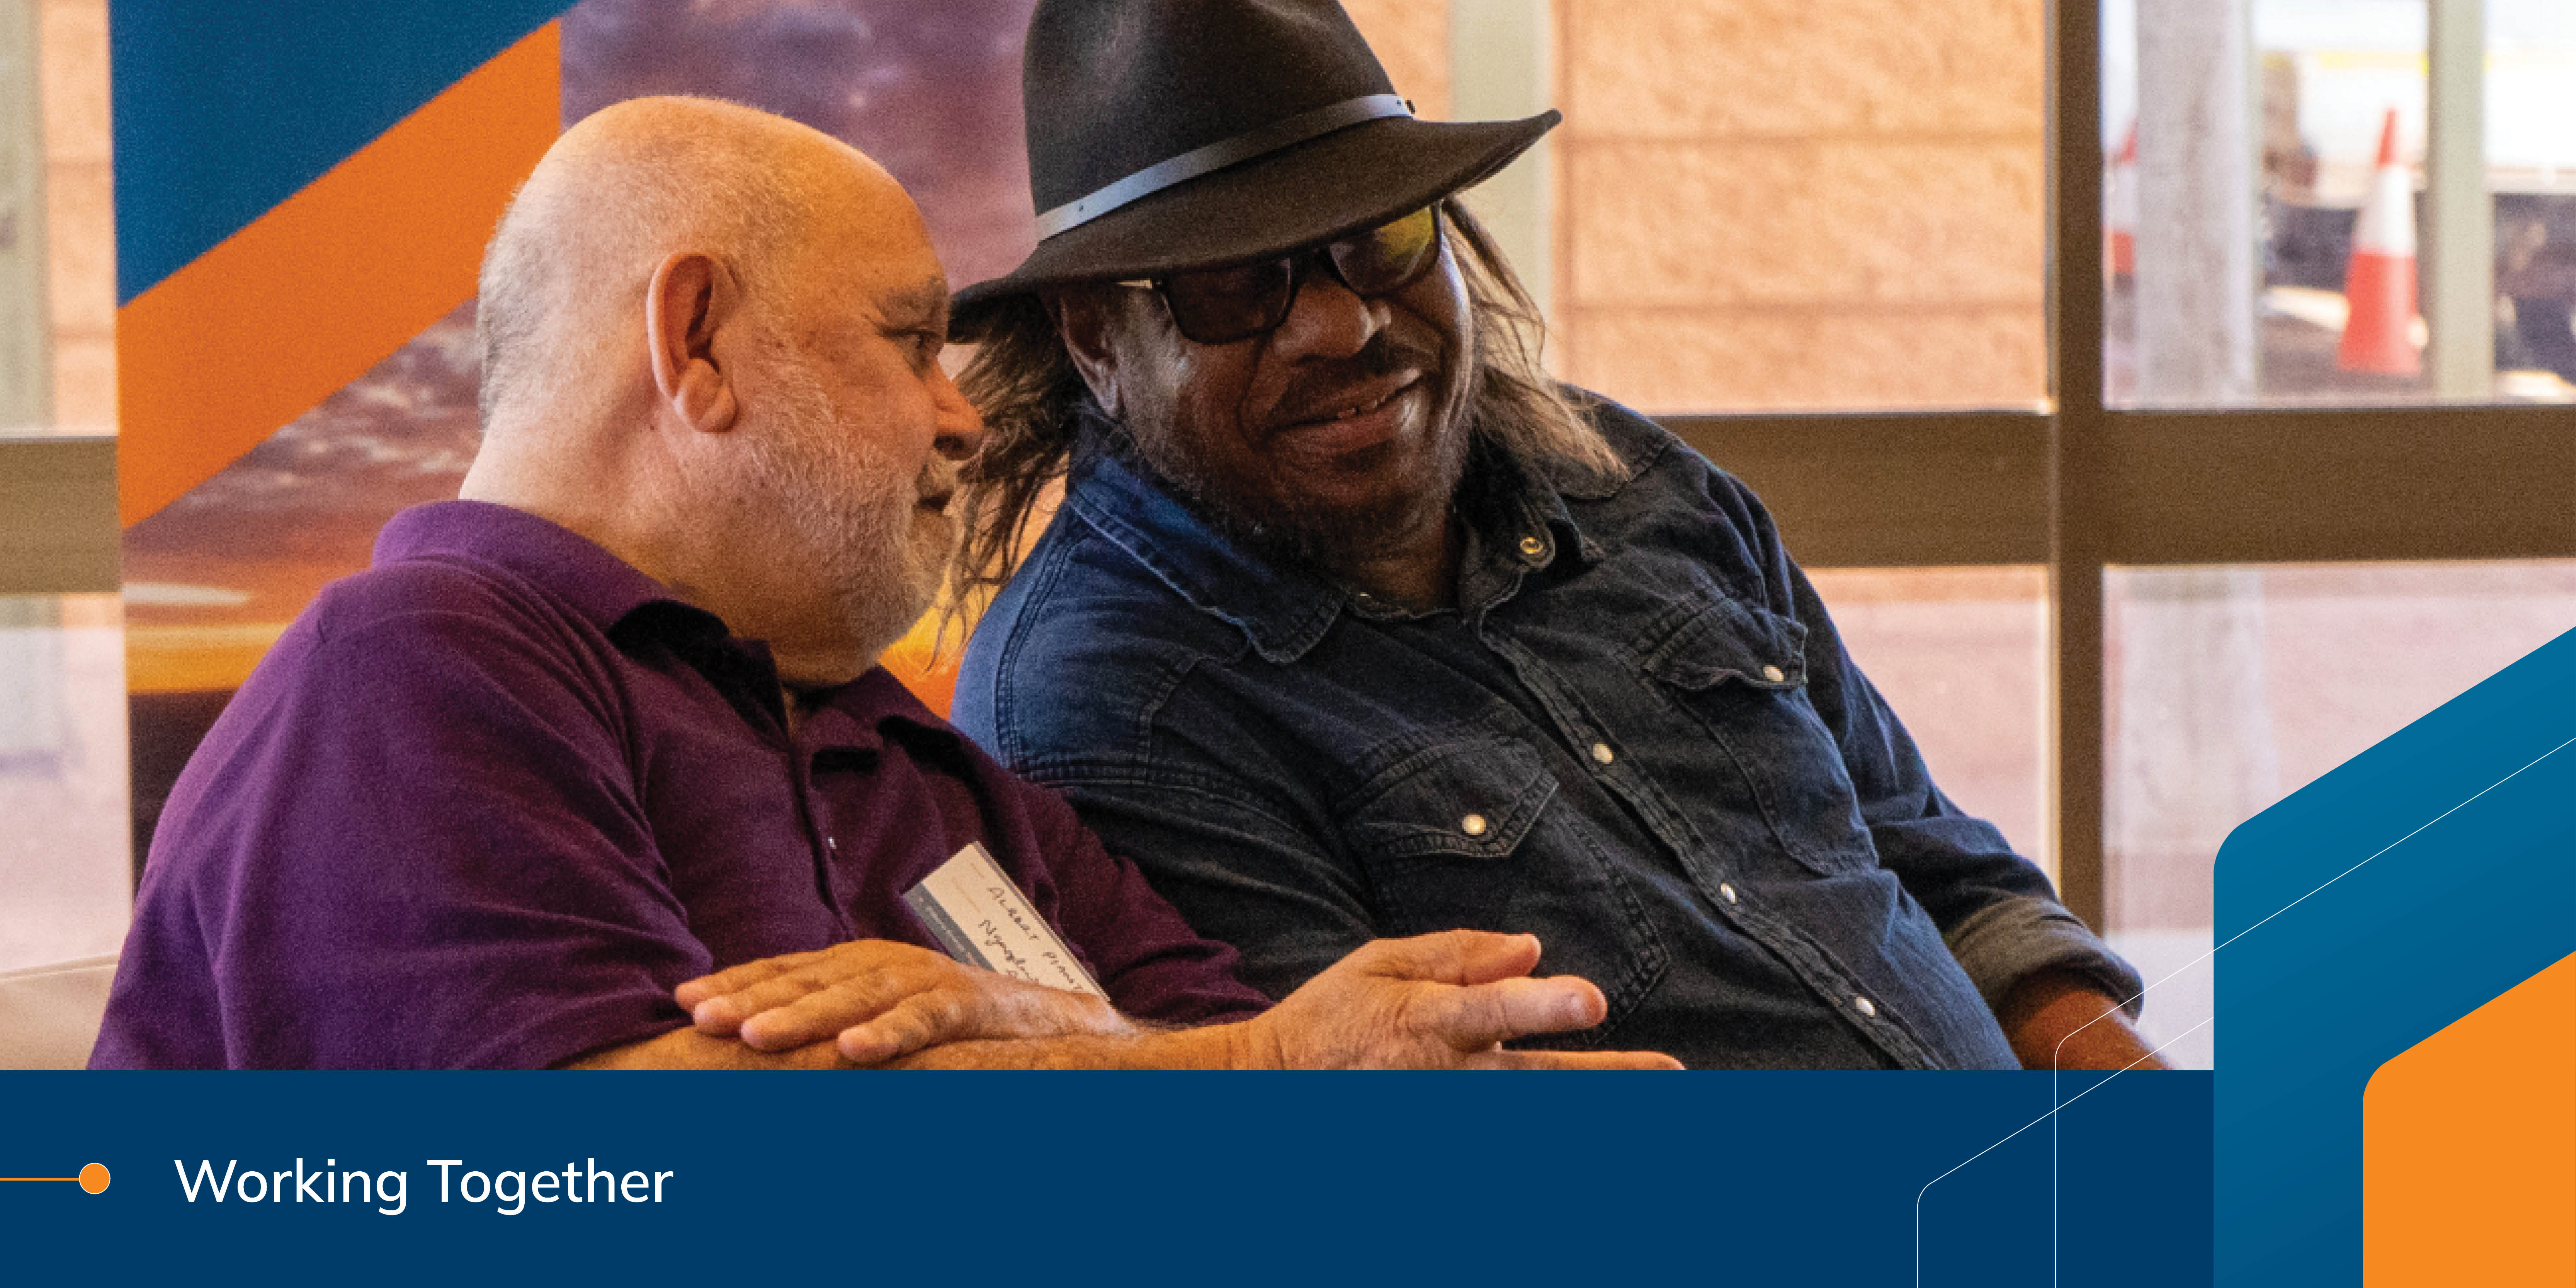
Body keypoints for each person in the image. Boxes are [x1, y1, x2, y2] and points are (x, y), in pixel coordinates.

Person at [88, 96, 1676, 1072]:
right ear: (696, 343)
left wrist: (1043, 1042)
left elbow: (1217, 1062)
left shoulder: (916, 765)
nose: (963, 418)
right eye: (912, 342)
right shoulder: (418, 665)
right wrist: (1235, 1072)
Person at [948, 0, 2161, 1070]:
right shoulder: (1109, 702)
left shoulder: (1626, 479)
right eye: (1233, 286)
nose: (1343, 325)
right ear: (1095, 340)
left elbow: (1936, 866)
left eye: (1381, 238)